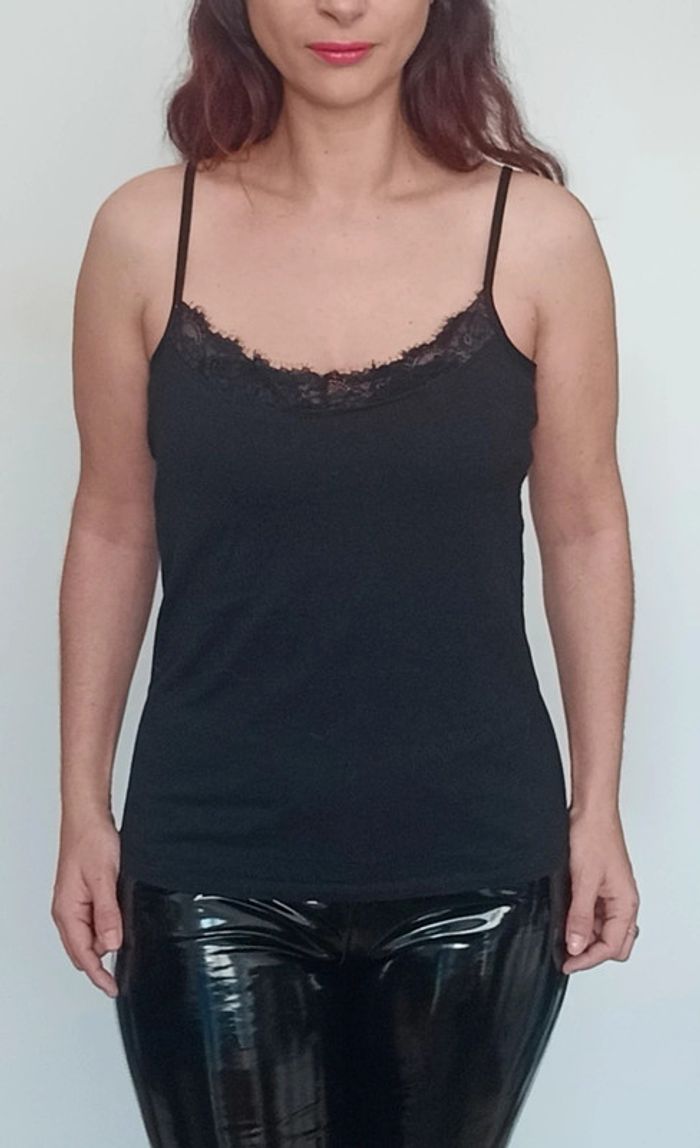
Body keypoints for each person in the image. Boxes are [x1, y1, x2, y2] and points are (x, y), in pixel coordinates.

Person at [53, 1, 641, 1144]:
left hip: (478, 859)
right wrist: (82, 803)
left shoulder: (537, 237)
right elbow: (112, 522)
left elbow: (583, 524)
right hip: (209, 851)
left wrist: (598, 805)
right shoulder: (144, 232)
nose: (340, 6)